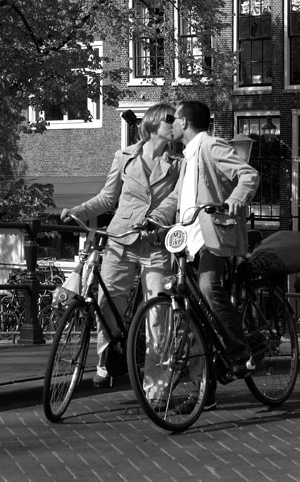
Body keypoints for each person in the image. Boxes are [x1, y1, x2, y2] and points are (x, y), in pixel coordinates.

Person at [60, 102, 182, 388]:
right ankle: (109, 362)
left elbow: (175, 199)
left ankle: (156, 387)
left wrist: (157, 218)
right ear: (153, 122)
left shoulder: (180, 163)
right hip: (120, 240)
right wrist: (78, 211)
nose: (176, 124)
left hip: (155, 244)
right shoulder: (124, 156)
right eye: (170, 119)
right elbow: (107, 198)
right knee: (107, 303)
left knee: (158, 314)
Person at [150, 99, 260, 412]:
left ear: (184, 122)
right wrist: (153, 218)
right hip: (187, 244)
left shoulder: (210, 146)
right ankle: (205, 393)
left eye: (174, 119)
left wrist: (236, 198)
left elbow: (248, 174)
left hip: (212, 239)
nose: (170, 124)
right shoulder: (187, 157)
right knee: (193, 315)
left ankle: (241, 352)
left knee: (209, 287)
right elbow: (176, 198)